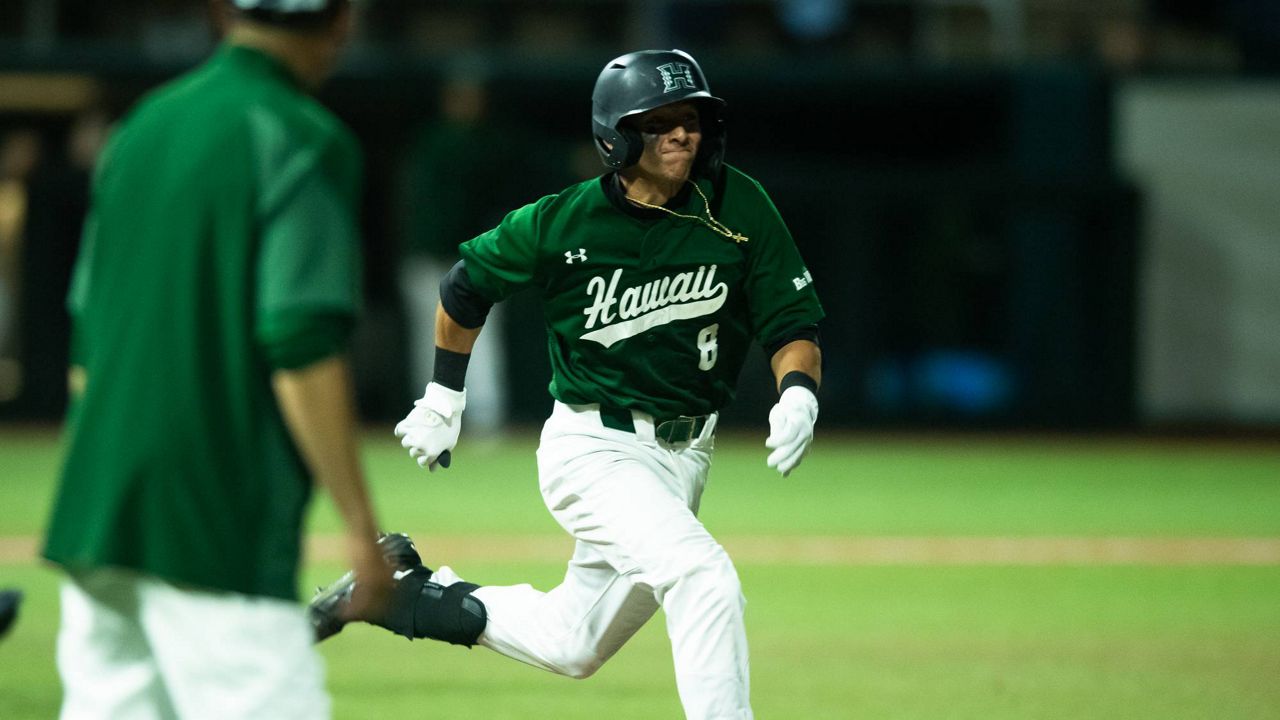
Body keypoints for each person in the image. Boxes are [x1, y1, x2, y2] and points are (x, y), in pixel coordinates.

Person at [312, 49, 824, 719]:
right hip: (595, 450)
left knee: (573, 644)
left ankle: (400, 593)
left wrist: (798, 392)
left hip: (686, 457)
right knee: (704, 579)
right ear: (616, 133)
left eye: (692, 117)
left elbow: (792, 320)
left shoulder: (737, 203)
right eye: (660, 119)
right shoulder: (563, 220)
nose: (682, 133)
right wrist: (444, 395)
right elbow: (464, 288)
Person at [42, 2, 391, 717]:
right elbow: (297, 347)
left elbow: (86, 347)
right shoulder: (299, 135)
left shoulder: (141, 127)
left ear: (223, 11)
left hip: (96, 505)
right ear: (343, 23)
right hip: (212, 513)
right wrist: (359, 525)